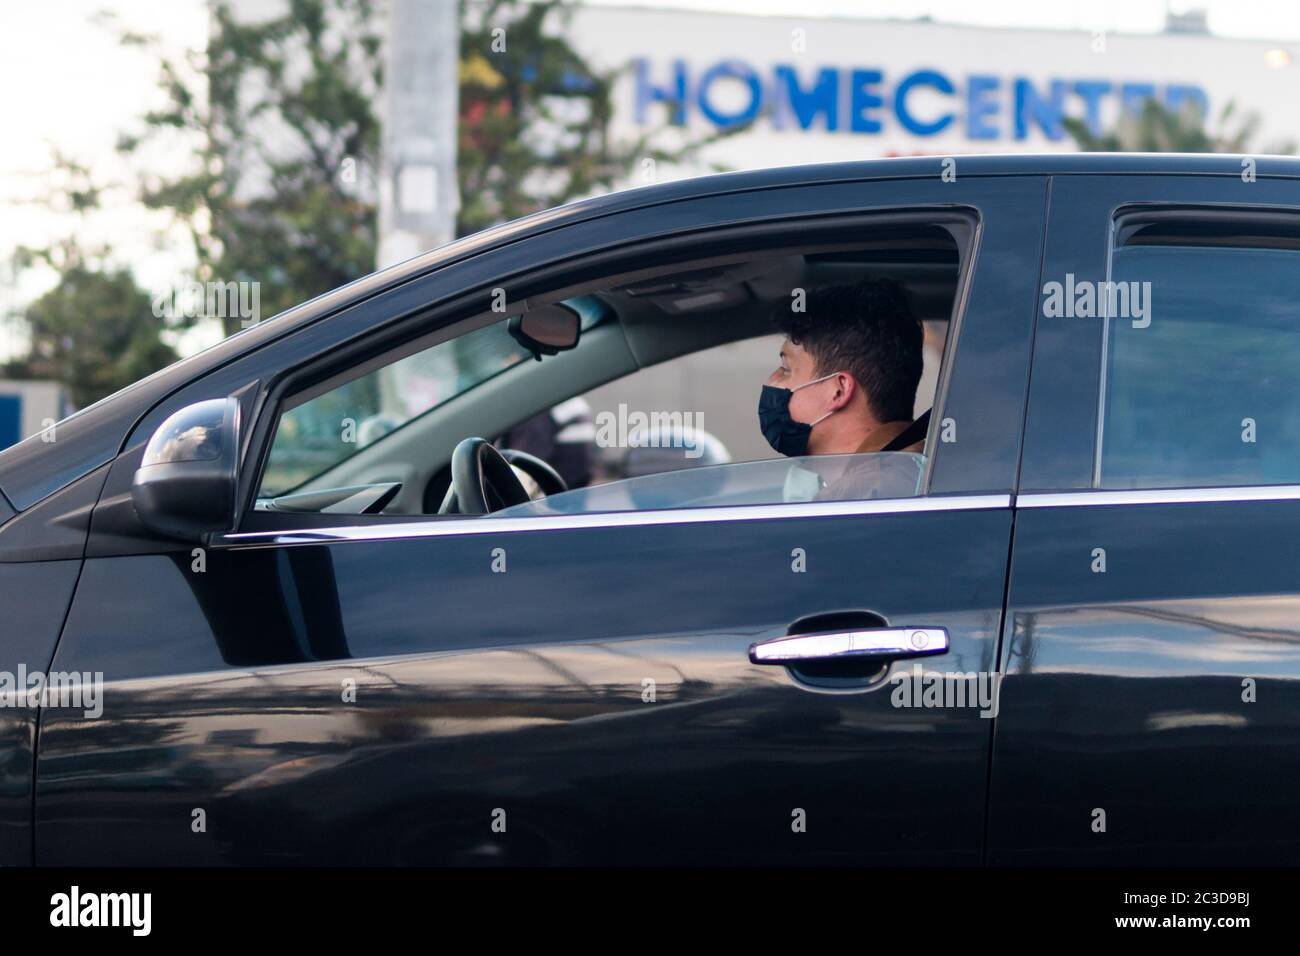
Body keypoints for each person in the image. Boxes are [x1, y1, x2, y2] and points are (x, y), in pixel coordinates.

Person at [758, 278, 925, 459]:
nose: (772, 380)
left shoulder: (880, 484)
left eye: (786, 368)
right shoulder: (893, 475)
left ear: (839, 390)